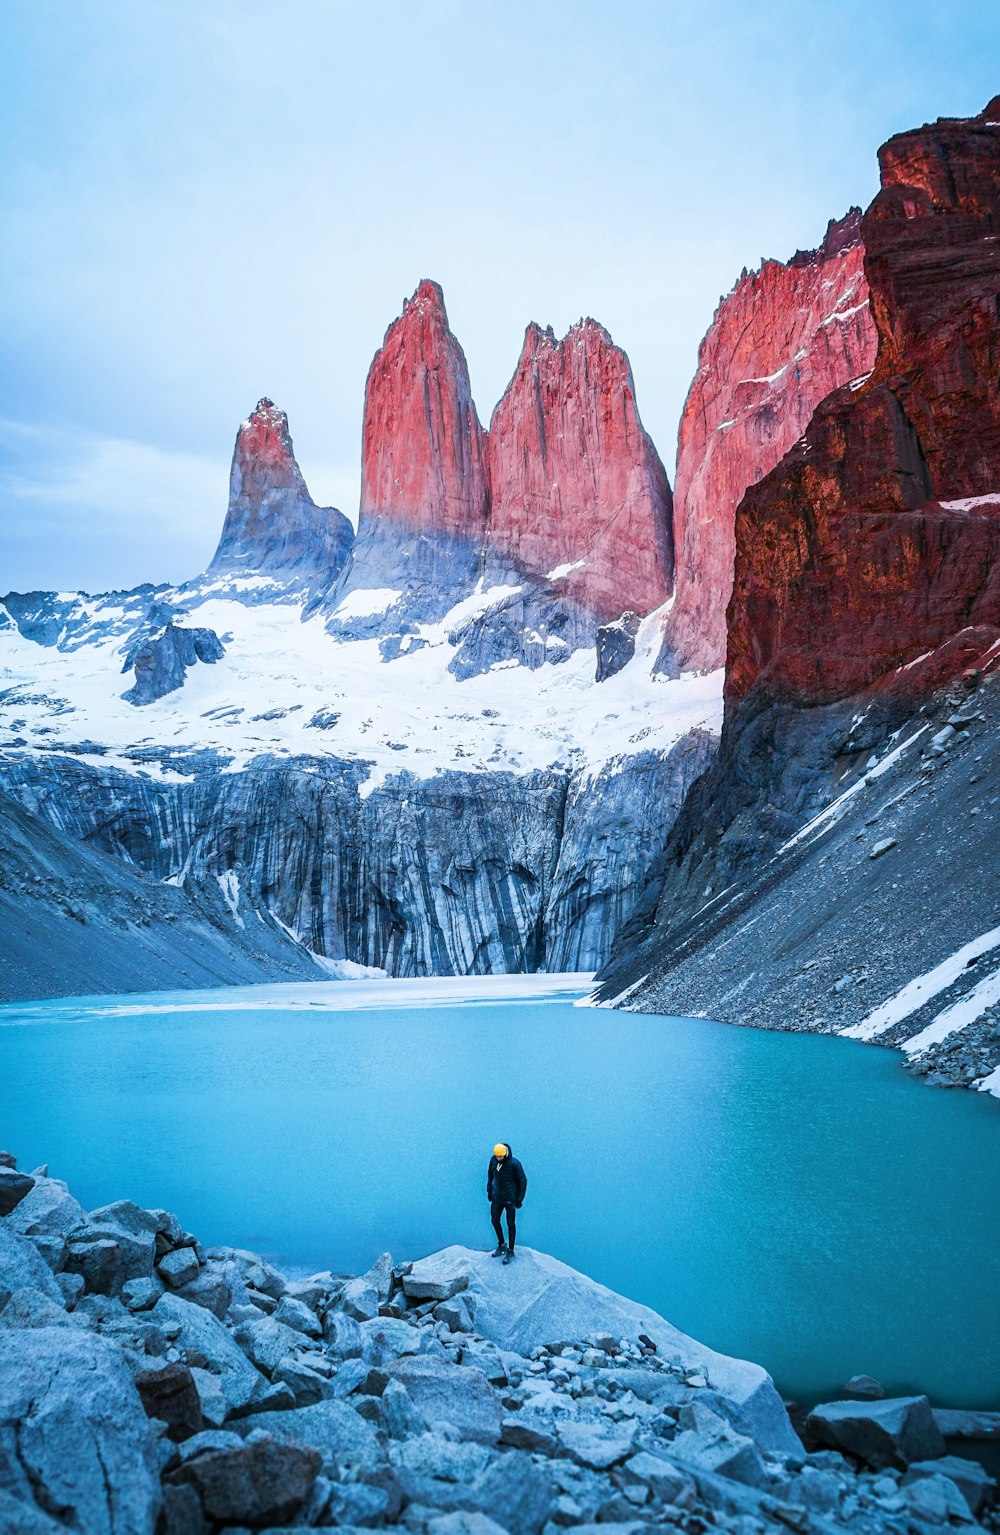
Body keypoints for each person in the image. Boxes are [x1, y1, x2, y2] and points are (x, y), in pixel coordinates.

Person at [487, 1142, 526, 1264]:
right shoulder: (493, 1161)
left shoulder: (514, 1164)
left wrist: (519, 1200)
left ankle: (511, 1250)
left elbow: (522, 1182)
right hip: (497, 1198)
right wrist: (489, 1191)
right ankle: (502, 1244)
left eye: (500, 1157)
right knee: (494, 1220)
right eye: (496, 1156)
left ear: (505, 1154)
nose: (498, 1159)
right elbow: (490, 1176)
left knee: (510, 1224)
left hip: (510, 1199)